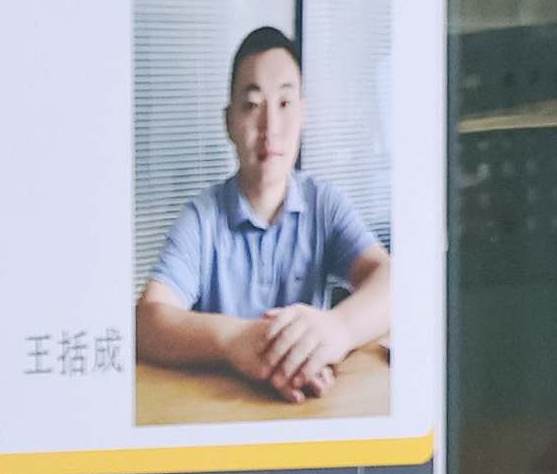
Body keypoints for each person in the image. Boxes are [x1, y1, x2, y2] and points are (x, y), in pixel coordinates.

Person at [134, 24, 396, 404]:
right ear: (229, 122)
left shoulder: (324, 204)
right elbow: (147, 321)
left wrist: (337, 328)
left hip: (310, 409)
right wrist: (235, 340)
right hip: (221, 412)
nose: (270, 127)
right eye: (252, 105)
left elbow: (393, 280)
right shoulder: (203, 218)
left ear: (303, 115)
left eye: (285, 104)